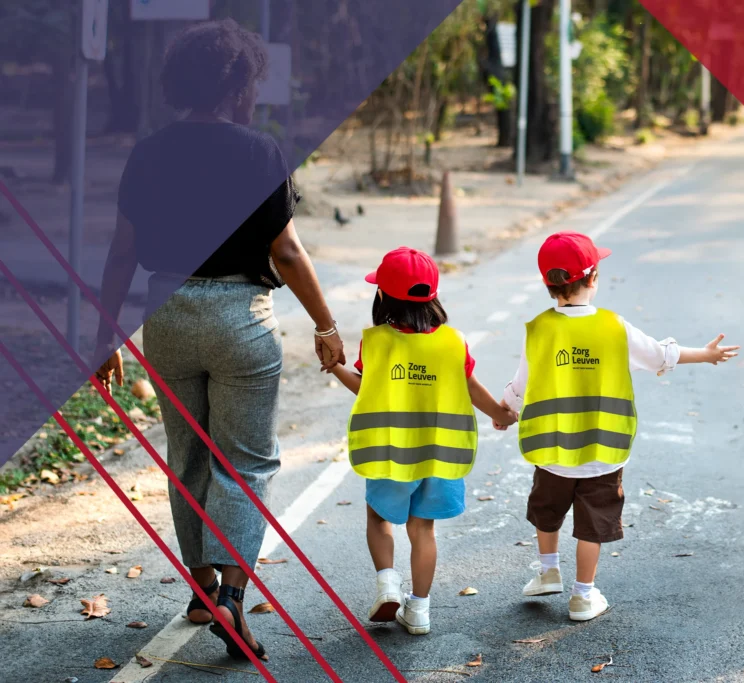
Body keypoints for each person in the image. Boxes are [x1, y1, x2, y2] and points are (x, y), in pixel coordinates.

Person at [92, 19, 344, 661]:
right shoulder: (259, 152)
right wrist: (326, 323)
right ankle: (232, 598)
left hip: (167, 313)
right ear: (237, 86)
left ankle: (203, 591)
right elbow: (285, 250)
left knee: (189, 459)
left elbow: (121, 253)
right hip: (239, 316)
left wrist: (105, 338)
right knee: (247, 461)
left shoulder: (147, 152)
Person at [498, 231, 738, 621]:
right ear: (592, 278)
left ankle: (547, 571)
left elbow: (520, 385)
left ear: (548, 284)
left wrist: (503, 410)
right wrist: (706, 355)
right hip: (602, 450)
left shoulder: (540, 329)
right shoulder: (614, 326)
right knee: (592, 525)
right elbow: (661, 355)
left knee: (547, 509)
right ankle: (583, 594)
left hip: (553, 449)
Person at [331, 247, 518, 635]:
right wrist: (501, 415)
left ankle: (387, 584)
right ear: (433, 296)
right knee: (423, 530)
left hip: (390, 453)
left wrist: (334, 366)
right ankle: (419, 610)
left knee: (379, 517)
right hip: (440, 456)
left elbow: (364, 390)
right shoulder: (453, 342)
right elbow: (471, 388)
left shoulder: (376, 342)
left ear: (382, 296)